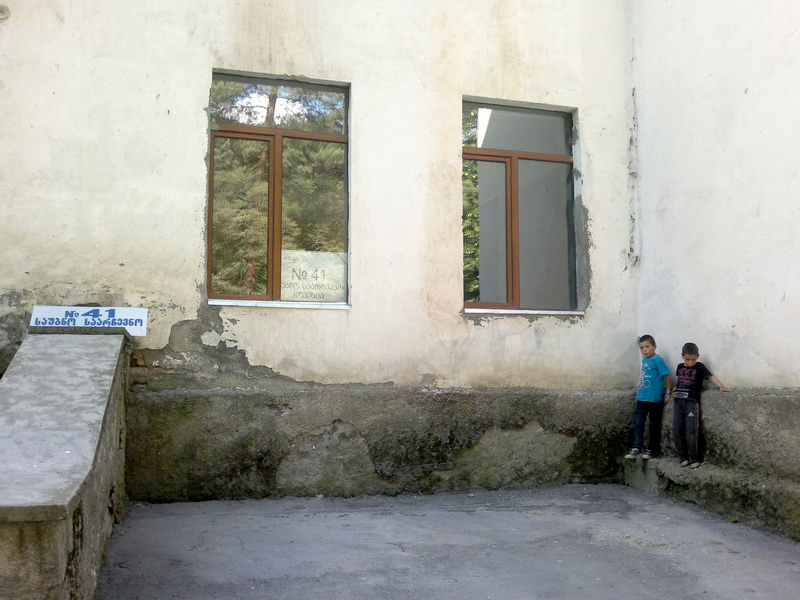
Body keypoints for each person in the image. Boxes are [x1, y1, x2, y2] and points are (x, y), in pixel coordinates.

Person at [672, 342, 732, 469]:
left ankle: (693, 457)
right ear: (682, 356)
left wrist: (720, 386)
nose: (690, 362)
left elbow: (710, 377)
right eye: (687, 359)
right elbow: (680, 380)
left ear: (698, 356)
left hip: (691, 403)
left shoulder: (699, 367)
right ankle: (682, 456)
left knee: (691, 430)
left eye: (693, 359)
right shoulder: (679, 367)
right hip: (677, 402)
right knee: (677, 430)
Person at [625, 335, 672, 460]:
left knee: (653, 425)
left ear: (654, 347)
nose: (644, 350)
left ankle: (652, 449)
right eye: (642, 348)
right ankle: (637, 447)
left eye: (647, 347)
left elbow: (667, 374)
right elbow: (643, 353)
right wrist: (639, 343)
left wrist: (668, 392)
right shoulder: (645, 359)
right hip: (642, 398)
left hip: (654, 399)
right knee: (639, 423)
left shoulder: (657, 360)